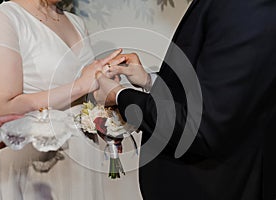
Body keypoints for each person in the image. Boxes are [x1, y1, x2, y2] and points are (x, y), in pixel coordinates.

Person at [94, 0, 276, 199]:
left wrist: (120, 96)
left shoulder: (242, 8)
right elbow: (212, 94)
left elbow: (202, 127)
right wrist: (150, 81)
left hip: (210, 186)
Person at [0, 0, 125, 199]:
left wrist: (105, 89)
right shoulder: (2, 18)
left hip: (80, 156)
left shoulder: (76, 22)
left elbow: (82, 93)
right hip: (33, 160)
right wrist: (80, 85)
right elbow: (1, 109)